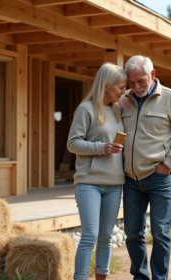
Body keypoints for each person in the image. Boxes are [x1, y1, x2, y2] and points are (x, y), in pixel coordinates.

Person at [118, 55, 171, 280]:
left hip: (159, 178)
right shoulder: (123, 101)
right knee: (132, 234)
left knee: (161, 233)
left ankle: (159, 278)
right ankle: (140, 277)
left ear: (152, 75)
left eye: (141, 81)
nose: (136, 87)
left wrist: (168, 164)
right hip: (131, 179)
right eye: (131, 83)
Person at [67, 63, 127, 280]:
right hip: (89, 181)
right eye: (120, 87)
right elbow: (72, 144)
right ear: (107, 85)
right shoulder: (85, 109)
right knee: (90, 235)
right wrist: (102, 148)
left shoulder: (118, 110)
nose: (123, 91)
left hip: (115, 183)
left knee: (106, 236)